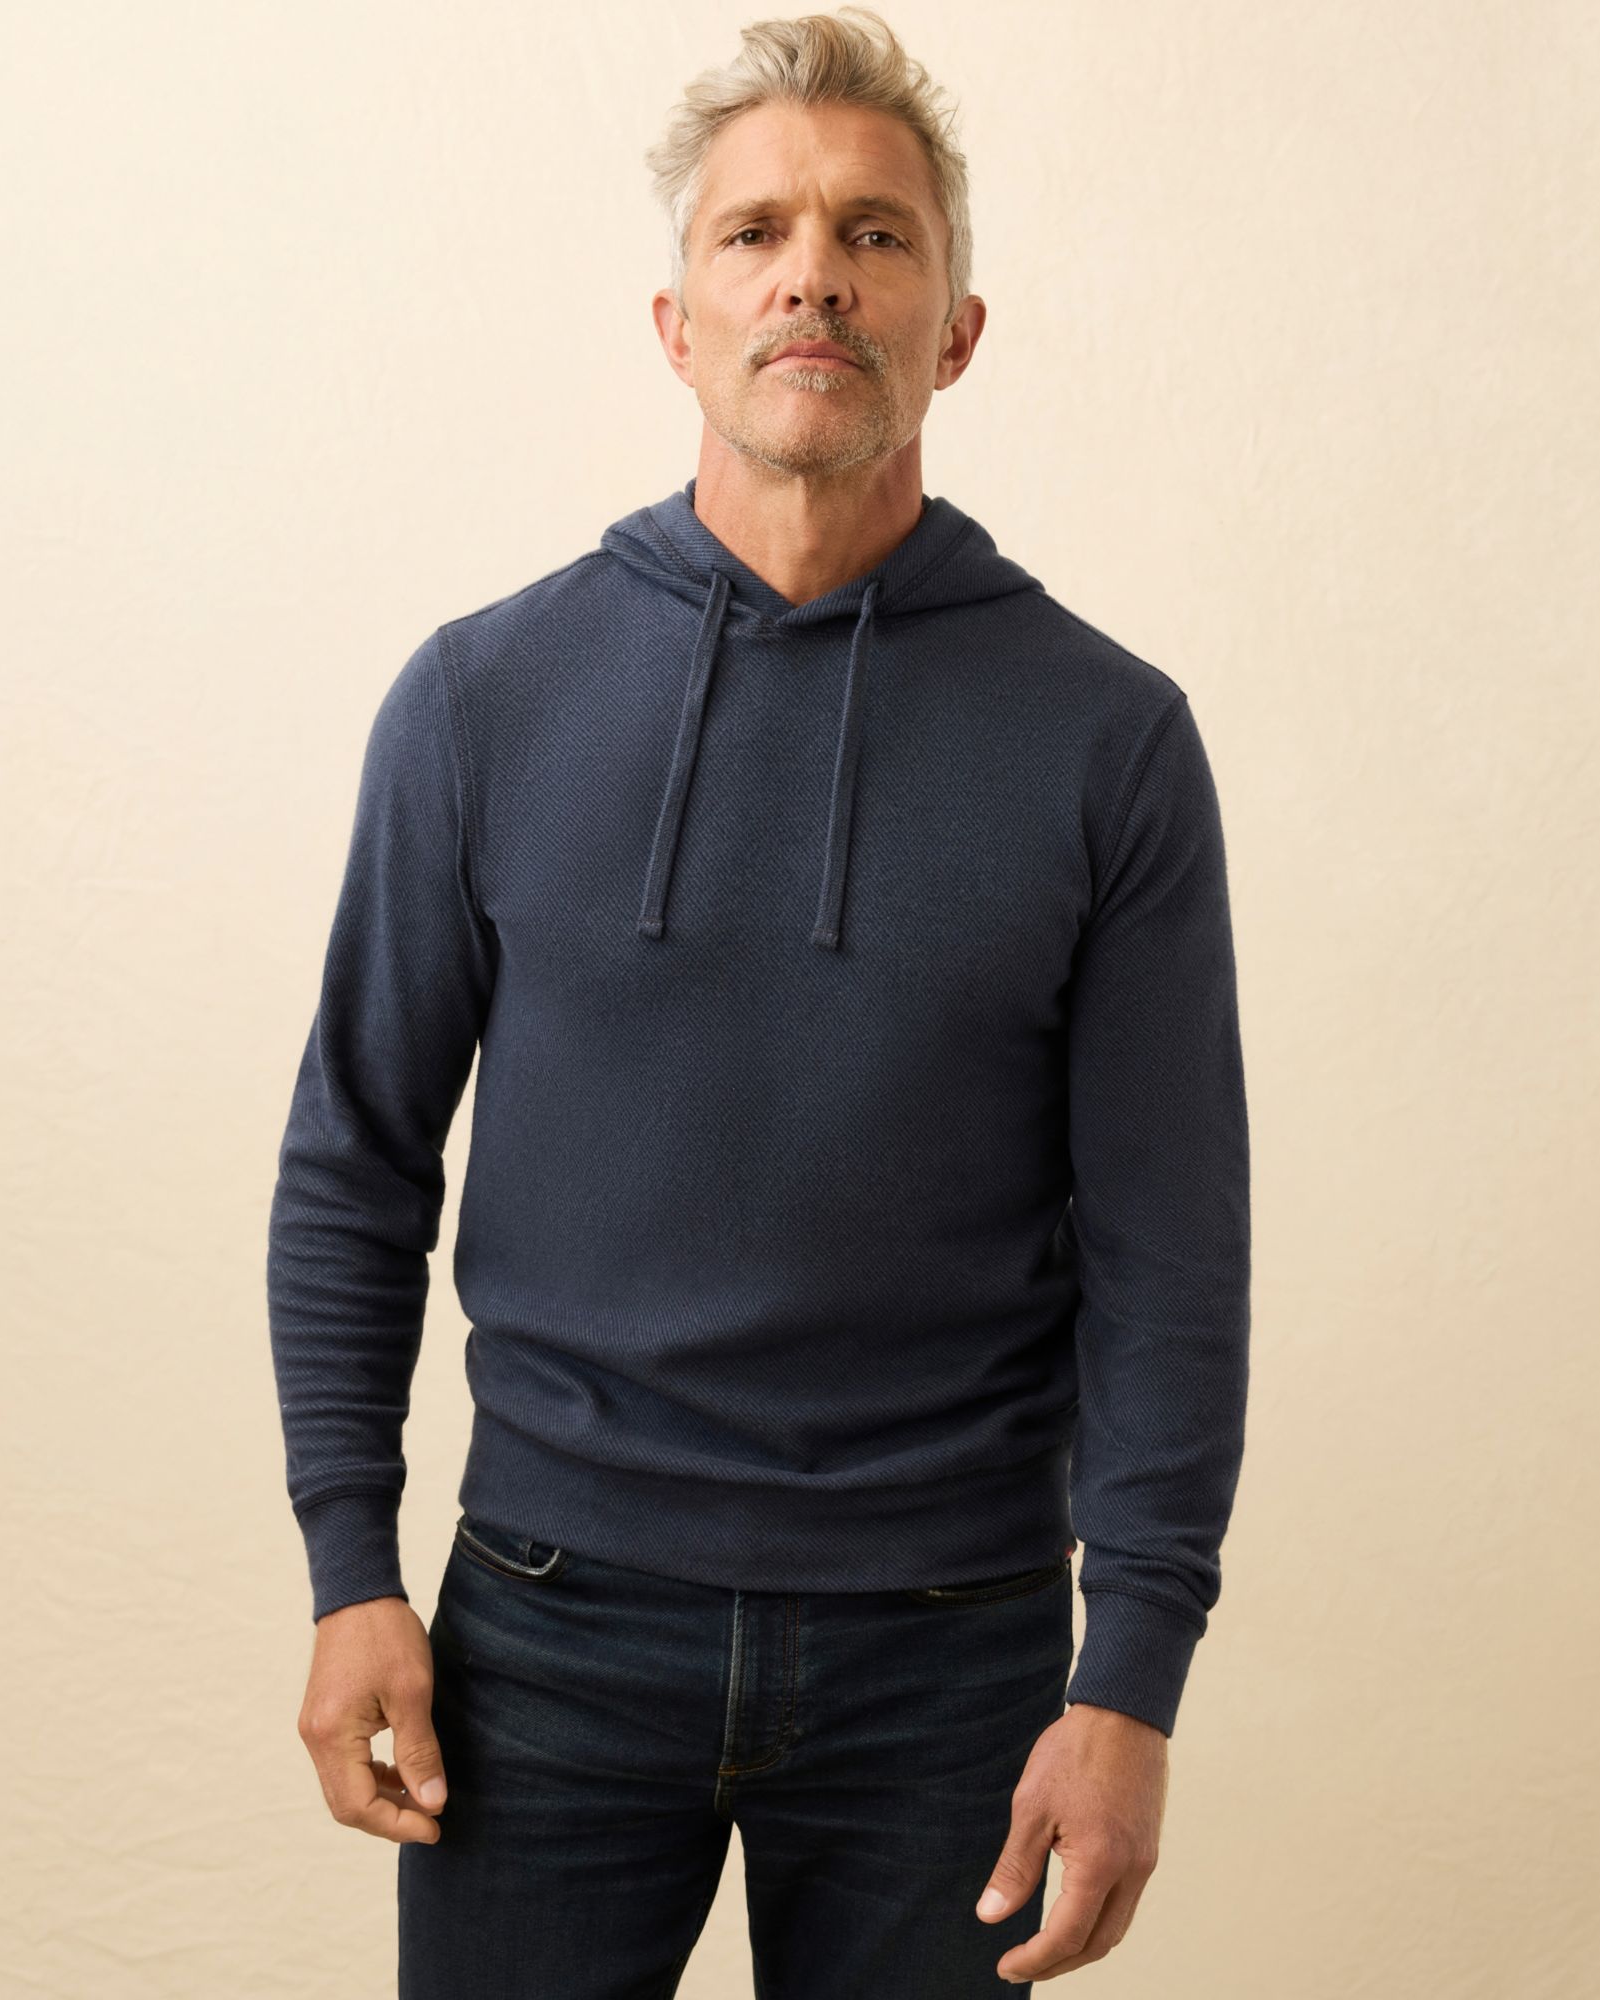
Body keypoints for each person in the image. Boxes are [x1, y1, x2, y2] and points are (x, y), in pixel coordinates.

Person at [265, 8, 1250, 1993]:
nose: (816, 274)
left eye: (878, 235)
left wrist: (1130, 1678)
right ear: (678, 322)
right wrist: (348, 1567)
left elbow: (1170, 1251)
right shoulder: (481, 701)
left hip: (951, 1645)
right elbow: (355, 1164)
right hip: (545, 1620)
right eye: (758, 233)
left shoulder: (1108, 742)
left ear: (955, 330)